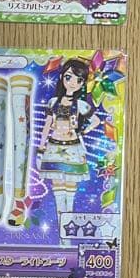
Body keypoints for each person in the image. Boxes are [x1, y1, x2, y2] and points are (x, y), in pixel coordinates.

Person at [38, 58, 99, 223]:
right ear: (62, 77)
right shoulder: (53, 102)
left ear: (82, 83)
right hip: (54, 146)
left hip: (73, 147)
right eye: (69, 77)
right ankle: (61, 221)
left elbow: (96, 121)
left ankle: (68, 220)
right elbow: (47, 125)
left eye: (79, 80)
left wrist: (83, 131)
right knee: (58, 185)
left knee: (71, 185)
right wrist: (41, 147)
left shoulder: (80, 104)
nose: (73, 83)